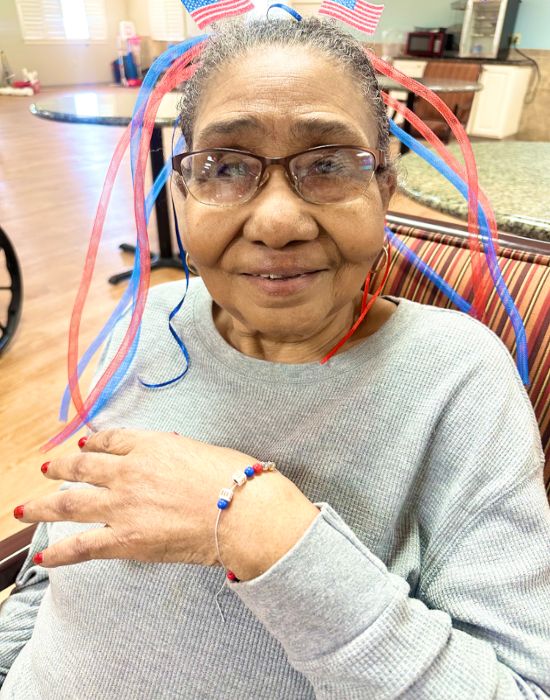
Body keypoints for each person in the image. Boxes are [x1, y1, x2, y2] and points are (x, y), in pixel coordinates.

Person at [1, 17, 549, 699]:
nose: (278, 223)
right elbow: (51, 575)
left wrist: (259, 528)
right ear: (182, 193)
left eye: (327, 165)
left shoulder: (459, 380)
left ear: (382, 186)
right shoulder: (142, 324)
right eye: (226, 167)